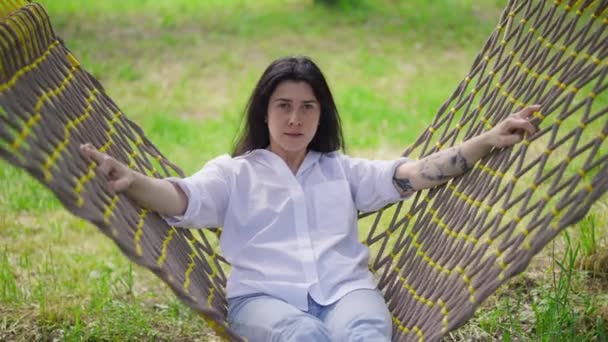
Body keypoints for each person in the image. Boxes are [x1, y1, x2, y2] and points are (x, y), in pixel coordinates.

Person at [79, 56, 538, 341]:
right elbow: (180, 197)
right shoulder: (235, 173)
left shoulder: (342, 170)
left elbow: (418, 173)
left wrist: (489, 140)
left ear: (322, 115)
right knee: (302, 336)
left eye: (307, 107)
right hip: (262, 298)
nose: (295, 119)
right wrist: (132, 179)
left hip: (346, 291)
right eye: (283, 105)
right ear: (265, 111)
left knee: (365, 333)